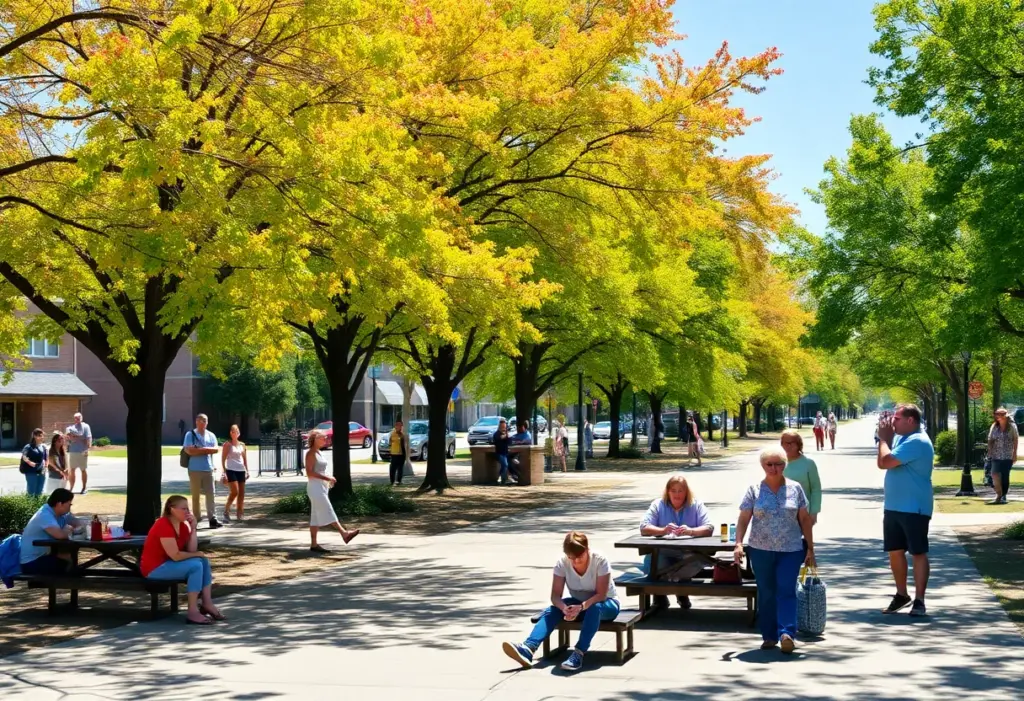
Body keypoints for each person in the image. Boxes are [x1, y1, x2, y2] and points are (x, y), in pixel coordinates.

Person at [733, 447, 816, 654]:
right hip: (760, 549)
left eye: (778, 464)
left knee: (786, 590)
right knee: (767, 592)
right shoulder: (754, 490)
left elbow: (804, 519)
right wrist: (738, 543)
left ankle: (787, 633)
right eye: (769, 464)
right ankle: (769, 635)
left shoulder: (795, 489)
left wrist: (811, 548)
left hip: (790, 549)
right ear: (763, 466)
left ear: (784, 465)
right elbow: (744, 518)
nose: (774, 468)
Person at [502, 531, 620, 673]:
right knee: (553, 609)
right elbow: (555, 596)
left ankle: (579, 653)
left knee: (595, 608)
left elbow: (601, 595)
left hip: (606, 604)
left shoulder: (600, 561)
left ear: (587, 550)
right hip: (578, 603)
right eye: (572, 558)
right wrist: (564, 608)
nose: (576, 561)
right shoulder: (562, 564)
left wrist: (581, 607)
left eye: (580, 557)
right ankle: (529, 647)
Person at [876, 404, 934, 617]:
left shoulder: (917, 441)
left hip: (914, 507)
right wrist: (887, 439)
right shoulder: (902, 438)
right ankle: (902, 595)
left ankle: (919, 600)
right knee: (895, 551)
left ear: (911, 420)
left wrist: (883, 439)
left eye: (897, 418)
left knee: (918, 552)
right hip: (894, 506)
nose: (893, 422)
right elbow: (885, 461)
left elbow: (885, 462)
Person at [141, 495, 224, 625]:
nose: (188, 512)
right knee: (195, 566)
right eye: (184, 509)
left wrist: (193, 528)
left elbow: (191, 551)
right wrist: (198, 553)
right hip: (155, 568)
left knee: (203, 562)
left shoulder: (183, 527)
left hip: (169, 564)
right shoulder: (163, 524)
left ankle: (207, 603)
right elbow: (176, 555)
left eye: (188, 509)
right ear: (172, 509)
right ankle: (192, 611)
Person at [639, 475, 714, 610]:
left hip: (689, 552)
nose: (677, 494)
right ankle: (662, 595)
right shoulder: (658, 504)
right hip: (665, 550)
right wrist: (663, 530)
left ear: (686, 492)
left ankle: (678, 590)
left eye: (680, 490)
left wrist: (691, 531)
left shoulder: (696, 505)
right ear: (668, 491)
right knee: (654, 561)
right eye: (673, 490)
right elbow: (644, 528)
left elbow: (709, 528)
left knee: (699, 560)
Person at [305, 429, 359, 552]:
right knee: (328, 509)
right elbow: (309, 472)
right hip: (315, 487)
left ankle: (314, 544)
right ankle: (344, 533)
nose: (325, 440)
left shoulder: (319, 452)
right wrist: (327, 477)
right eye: (323, 438)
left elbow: (321, 470)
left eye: (325, 438)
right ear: (315, 439)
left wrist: (328, 479)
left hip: (321, 487)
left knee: (315, 516)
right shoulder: (310, 453)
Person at [19, 488, 83, 575]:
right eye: (69, 504)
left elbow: (78, 522)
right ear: (60, 504)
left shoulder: (60, 513)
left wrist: (78, 526)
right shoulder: (44, 515)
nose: (70, 507)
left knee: (72, 563)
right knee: (72, 567)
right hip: (32, 562)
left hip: (44, 557)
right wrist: (70, 530)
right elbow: (59, 535)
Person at [182, 413, 221, 529]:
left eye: (205, 421)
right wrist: (205, 450)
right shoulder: (190, 434)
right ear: (196, 422)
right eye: (201, 420)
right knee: (196, 495)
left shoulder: (211, 435)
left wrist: (198, 449)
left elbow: (215, 450)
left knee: (211, 494)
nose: (203, 423)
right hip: (194, 469)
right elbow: (188, 451)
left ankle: (212, 518)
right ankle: (197, 518)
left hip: (208, 469)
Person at [780, 430, 822, 526]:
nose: (788, 446)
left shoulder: (808, 464)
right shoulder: (777, 463)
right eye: (785, 443)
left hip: (802, 512)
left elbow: (815, 489)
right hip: (780, 511)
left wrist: (814, 512)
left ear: (798, 444)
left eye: (791, 443)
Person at [987, 408, 1018, 505]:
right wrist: (990, 450)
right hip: (995, 455)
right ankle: (998, 494)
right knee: (994, 474)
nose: (998, 416)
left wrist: (1014, 454)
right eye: (997, 414)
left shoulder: (1012, 426)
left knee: (1005, 476)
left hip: (1008, 455)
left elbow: (1015, 439)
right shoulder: (994, 426)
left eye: (1001, 414)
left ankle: (1003, 495)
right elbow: (990, 439)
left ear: (1006, 415)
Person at [219, 424, 249, 522]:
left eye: (236, 431)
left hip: (241, 470)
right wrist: (224, 473)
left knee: (241, 493)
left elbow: (244, 459)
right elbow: (223, 459)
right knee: (235, 491)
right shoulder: (228, 445)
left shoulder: (242, 445)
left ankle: (240, 513)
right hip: (231, 470)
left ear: (238, 433)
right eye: (232, 431)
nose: (234, 433)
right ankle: (226, 511)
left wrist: (247, 470)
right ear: (230, 433)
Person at [65, 412, 92, 494]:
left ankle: (84, 488)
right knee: (72, 470)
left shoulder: (86, 426)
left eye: (79, 417)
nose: (77, 419)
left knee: (83, 470)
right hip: (73, 451)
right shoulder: (71, 427)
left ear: (82, 417)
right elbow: (69, 438)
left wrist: (87, 448)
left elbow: (88, 438)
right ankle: (71, 488)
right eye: (76, 418)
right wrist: (76, 438)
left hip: (83, 451)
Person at [19, 428, 47, 497]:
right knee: (31, 490)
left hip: (41, 471)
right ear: (35, 436)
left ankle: (37, 505)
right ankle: (29, 506)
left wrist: (45, 467)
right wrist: (29, 462)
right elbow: (24, 456)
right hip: (31, 471)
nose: (42, 437)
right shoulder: (28, 447)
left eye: (42, 436)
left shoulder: (42, 447)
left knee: (40, 490)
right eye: (40, 436)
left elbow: (44, 458)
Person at [493, 418, 512, 485]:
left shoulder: (506, 434)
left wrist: (507, 436)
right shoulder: (496, 434)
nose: (503, 428)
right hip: (499, 453)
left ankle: (506, 479)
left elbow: (510, 442)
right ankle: (500, 478)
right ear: (499, 426)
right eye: (502, 427)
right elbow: (500, 438)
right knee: (505, 464)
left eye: (504, 427)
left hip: (506, 453)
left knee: (510, 464)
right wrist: (506, 435)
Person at [389, 420, 408, 486]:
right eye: (398, 425)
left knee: (400, 468)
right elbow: (390, 443)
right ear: (395, 426)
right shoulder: (393, 434)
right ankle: (392, 481)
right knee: (393, 468)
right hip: (394, 454)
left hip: (401, 454)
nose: (400, 426)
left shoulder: (402, 434)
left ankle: (399, 481)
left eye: (401, 425)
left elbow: (404, 444)